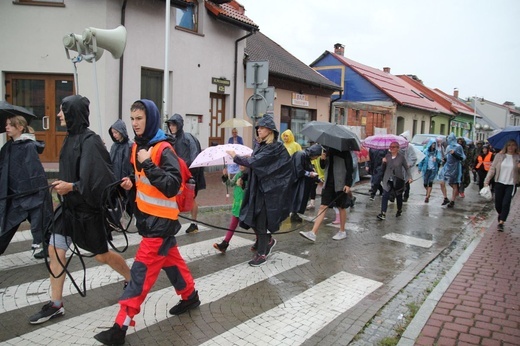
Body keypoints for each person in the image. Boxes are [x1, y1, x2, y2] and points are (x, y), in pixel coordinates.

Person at [94, 99, 199, 345]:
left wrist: (148, 163)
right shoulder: (137, 147)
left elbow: (172, 185)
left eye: (139, 119)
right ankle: (190, 295)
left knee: (139, 274)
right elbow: (144, 179)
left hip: (160, 225)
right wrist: (131, 181)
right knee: (172, 262)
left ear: (150, 119)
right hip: (149, 221)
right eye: (132, 119)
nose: (135, 124)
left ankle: (119, 327)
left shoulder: (163, 149)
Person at [29, 95, 131, 325]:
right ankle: (56, 304)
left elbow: (100, 180)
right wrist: (61, 186)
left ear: (73, 113)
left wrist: (72, 186)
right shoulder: (69, 139)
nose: (58, 115)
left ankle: (131, 277)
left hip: (88, 211)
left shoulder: (91, 141)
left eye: (62, 110)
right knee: (55, 249)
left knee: (101, 256)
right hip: (68, 210)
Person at [226, 114, 293, 266]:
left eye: (261, 128)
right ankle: (267, 242)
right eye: (258, 128)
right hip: (258, 188)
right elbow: (255, 166)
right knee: (254, 218)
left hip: (268, 191)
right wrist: (244, 176)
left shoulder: (274, 148)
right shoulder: (261, 146)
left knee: (261, 221)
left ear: (269, 130)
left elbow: (254, 162)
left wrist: (235, 157)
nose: (258, 131)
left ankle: (262, 253)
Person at [0, 115, 53, 258]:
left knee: (42, 224)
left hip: (32, 195)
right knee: (6, 226)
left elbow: (35, 173)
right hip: (14, 195)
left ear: (20, 128)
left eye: (10, 125)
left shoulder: (29, 146)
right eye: (6, 125)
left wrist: (35, 193)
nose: (7, 128)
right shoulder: (8, 147)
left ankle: (50, 248)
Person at [299, 146, 354, 242]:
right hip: (328, 182)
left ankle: (342, 231)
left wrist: (348, 183)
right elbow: (323, 166)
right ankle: (313, 233)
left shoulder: (344, 150)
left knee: (341, 207)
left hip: (340, 182)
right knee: (323, 206)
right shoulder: (327, 149)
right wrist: (323, 159)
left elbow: (350, 167)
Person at [165, 114, 206, 234]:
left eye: (174, 124)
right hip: (178, 173)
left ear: (179, 125)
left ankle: (194, 223)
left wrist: (187, 170)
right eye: (170, 125)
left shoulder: (188, 138)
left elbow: (194, 157)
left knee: (191, 198)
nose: (171, 127)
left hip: (190, 174)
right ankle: (173, 221)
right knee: (175, 197)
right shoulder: (173, 140)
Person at [483, 139, 520, 232]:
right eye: (509, 145)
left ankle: (501, 223)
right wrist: (486, 180)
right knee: (498, 204)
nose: (511, 147)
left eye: (513, 145)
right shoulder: (499, 156)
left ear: (516, 147)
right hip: (499, 182)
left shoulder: (517, 157)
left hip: (511, 184)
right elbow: (492, 169)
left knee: (506, 203)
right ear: (506, 146)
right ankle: (502, 214)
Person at [213, 165, 248, 253]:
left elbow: (249, 188)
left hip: (245, 205)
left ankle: (261, 240)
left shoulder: (250, 175)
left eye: (243, 164)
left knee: (253, 224)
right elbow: (230, 183)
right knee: (232, 225)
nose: (241, 166)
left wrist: (242, 184)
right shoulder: (238, 174)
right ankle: (224, 244)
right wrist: (225, 176)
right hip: (237, 205)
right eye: (239, 164)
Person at [376, 141, 412, 220]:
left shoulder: (401, 157)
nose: (391, 148)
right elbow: (383, 169)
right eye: (390, 147)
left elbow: (406, 168)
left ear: (398, 148)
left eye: (393, 147)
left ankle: (399, 210)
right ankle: (383, 213)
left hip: (398, 179)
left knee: (398, 196)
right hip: (387, 179)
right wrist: (383, 162)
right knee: (385, 195)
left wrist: (409, 177)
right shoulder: (387, 156)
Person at [290, 144, 322, 222]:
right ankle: (294, 213)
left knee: (299, 198)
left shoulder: (305, 156)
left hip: (301, 182)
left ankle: (295, 214)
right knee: (297, 198)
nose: (316, 158)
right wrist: (309, 173)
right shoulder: (301, 155)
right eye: (316, 156)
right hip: (297, 181)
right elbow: (298, 169)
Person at [108, 119, 134, 217]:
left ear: (121, 132)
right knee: (117, 202)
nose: (114, 135)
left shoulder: (130, 146)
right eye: (113, 133)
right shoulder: (114, 146)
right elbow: (110, 161)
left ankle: (130, 217)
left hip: (126, 179)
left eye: (116, 132)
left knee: (128, 201)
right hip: (115, 180)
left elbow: (132, 164)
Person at [439, 133, 466, 208]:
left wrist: (454, 154)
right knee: (441, 181)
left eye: (450, 139)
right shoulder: (448, 147)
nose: (449, 140)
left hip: (455, 167)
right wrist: (444, 159)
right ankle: (445, 198)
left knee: (454, 184)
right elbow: (446, 156)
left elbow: (462, 158)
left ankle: (453, 201)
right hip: (447, 166)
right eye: (448, 139)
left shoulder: (458, 147)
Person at [418, 138, 442, 203]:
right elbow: (421, 160)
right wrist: (419, 168)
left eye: (434, 144)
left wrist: (436, 159)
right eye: (432, 144)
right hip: (426, 169)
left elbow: (440, 160)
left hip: (433, 170)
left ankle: (427, 197)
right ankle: (428, 192)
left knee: (430, 183)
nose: (434, 145)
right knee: (425, 183)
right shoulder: (425, 151)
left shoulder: (437, 152)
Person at [399, 131, 417, 202]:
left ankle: (406, 196)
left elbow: (413, 157)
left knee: (406, 182)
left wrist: (409, 163)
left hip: (406, 168)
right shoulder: (398, 147)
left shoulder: (410, 147)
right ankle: (396, 195)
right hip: (399, 167)